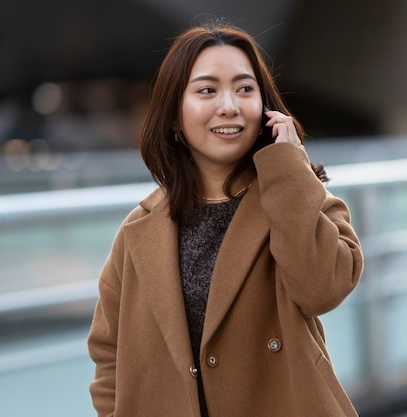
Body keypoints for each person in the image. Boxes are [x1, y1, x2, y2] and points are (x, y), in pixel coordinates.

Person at [87, 21, 364, 417]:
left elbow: (321, 289)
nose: (229, 105)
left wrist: (287, 168)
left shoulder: (302, 199)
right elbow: (108, 350)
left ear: (265, 107)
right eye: (207, 90)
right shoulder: (140, 229)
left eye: (244, 88)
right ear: (173, 116)